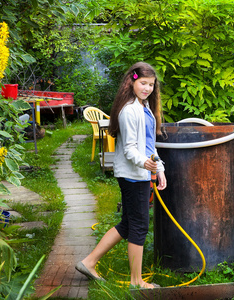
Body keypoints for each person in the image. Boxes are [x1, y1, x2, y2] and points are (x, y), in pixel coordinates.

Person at [75, 62, 167, 289]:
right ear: (132, 82)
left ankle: (88, 262)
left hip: (142, 172)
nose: (147, 88)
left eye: (151, 85)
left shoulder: (145, 108)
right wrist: (144, 163)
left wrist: (160, 167)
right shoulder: (129, 110)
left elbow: (149, 145)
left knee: (128, 224)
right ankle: (136, 282)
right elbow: (130, 149)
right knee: (139, 227)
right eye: (143, 83)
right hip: (133, 175)